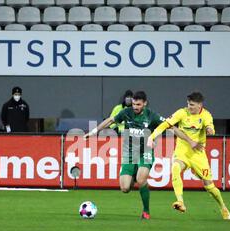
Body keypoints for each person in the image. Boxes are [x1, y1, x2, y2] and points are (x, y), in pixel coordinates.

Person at [84, 91, 198, 220]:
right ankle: (135, 173)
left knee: (141, 179)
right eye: (133, 104)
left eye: (138, 104)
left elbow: (171, 127)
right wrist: (94, 132)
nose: (135, 107)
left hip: (146, 152)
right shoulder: (126, 113)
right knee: (125, 188)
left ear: (144, 103)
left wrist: (190, 141)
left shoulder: (152, 116)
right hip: (129, 154)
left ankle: (146, 211)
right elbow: (110, 120)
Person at [147, 91, 230, 220]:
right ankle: (180, 202)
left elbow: (210, 128)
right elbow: (165, 124)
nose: (189, 107)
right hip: (182, 151)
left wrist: (210, 130)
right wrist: (152, 137)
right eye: (188, 104)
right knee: (175, 168)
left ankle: (223, 207)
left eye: (192, 105)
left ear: (199, 105)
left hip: (198, 154)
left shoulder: (206, 115)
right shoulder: (182, 112)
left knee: (209, 186)